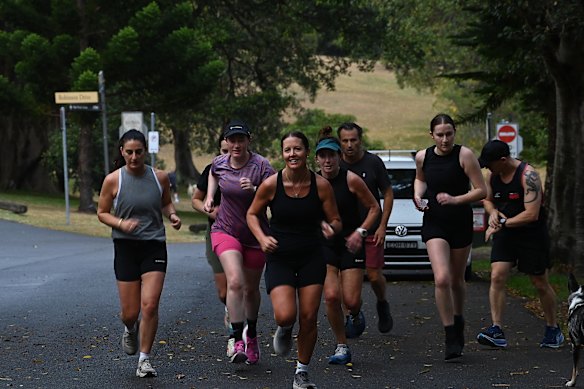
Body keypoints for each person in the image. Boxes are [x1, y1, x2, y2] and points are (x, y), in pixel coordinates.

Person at [246, 131, 342, 389]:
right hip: (280, 256)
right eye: (287, 150)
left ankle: (302, 372)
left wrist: (331, 228)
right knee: (285, 314)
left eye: (297, 149)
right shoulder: (271, 184)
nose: (292, 154)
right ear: (282, 154)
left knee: (309, 317)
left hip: (312, 255)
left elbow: (336, 220)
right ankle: (285, 328)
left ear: (306, 152)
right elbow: (252, 214)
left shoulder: (321, 185)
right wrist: (262, 238)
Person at [97, 129, 182, 378]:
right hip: (125, 246)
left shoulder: (160, 177)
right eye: (129, 152)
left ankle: (145, 359)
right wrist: (121, 224)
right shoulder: (113, 180)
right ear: (122, 152)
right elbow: (102, 212)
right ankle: (130, 328)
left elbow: (166, 202)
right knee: (130, 312)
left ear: (146, 151)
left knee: (151, 304)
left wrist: (173, 215)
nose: (134, 157)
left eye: (139, 152)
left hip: (154, 244)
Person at [475, 140, 564, 349]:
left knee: (539, 282)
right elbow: (487, 199)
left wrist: (502, 223)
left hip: (531, 235)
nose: (487, 167)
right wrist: (493, 213)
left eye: (490, 163)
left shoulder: (528, 176)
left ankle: (553, 328)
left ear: (503, 160)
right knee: (497, 275)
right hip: (506, 235)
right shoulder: (492, 175)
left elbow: (531, 214)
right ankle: (496, 330)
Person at [413, 113, 486, 360]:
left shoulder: (464, 155)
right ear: (431, 135)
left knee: (456, 280)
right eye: (440, 135)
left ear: (454, 133)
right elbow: (420, 180)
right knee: (442, 278)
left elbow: (481, 191)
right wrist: (417, 196)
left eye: (449, 134)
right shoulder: (423, 157)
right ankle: (449, 333)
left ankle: (458, 318)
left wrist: (456, 200)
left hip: (459, 222)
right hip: (434, 221)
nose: (445, 139)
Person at [203, 120, 275, 365]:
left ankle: (252, 335)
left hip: (255, 235)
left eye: (240, 140)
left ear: (248, 140)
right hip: (225, 230)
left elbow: (277, 194)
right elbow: (213, 174)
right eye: (231, 140)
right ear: (226, 142)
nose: (235, 145)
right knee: (234, 281)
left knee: (251, 290)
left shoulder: (261, 165)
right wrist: (210, 197)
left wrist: (255, 189)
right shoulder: (219, 163)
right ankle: (237, 339)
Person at [315, 127, 380, 365]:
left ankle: (354, 313)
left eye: (332, 155)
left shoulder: (351, 180)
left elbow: (375, 208)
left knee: (350, 300)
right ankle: (342, 345)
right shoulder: (313, 182)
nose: (327, 160)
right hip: (325, 245)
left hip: (351, 244)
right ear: (317, 159)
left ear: (339, 156)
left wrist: (361, 232)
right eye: (323, 156)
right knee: (332, 297)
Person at [337, 122, 394, 335]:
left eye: (354, 140)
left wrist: (382, 226)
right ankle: (351, 316)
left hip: (370, 229)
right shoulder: (335, 164)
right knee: (345, 282)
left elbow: (387, 193)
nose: (350, 145)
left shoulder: (373, 162)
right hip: (344, 232)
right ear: (340, 142)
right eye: (345, 141)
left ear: (360, 140)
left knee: (374, 275)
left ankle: (382, 302)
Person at [191, 137, 232, 354]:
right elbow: (195, 200)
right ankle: (229, 307)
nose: (227, 154)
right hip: (216, 231)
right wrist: (211, 211)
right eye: (223, 150)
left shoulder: (250, 168)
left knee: (240, 284)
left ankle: (239, 335)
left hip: (243, 232)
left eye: (230, 149)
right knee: (224, 290)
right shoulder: (211, 170)